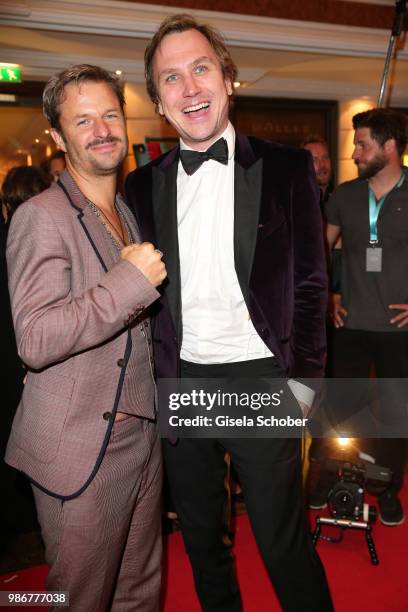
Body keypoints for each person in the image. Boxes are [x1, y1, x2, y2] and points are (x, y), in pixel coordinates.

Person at [126, 15, 333, 612]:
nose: (189, 88)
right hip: (182, 380)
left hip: (262, 379)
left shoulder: (287, 167)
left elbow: (314, 286)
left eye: (201, 69)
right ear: (160, 101)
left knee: (280, 540)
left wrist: (305, 387)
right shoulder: (142, 187)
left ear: (227, 78)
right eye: (171, 78)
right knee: (201, 541)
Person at [5, 64, 166, 610]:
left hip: (141, 438)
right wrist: (129, 283)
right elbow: (35, 336)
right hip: (79, 447)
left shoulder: (125, 210)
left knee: (139, 594)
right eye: (82, 120)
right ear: (57, 136)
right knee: (79, 599)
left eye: (110, 115)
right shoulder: (39, 216)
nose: (102, 129)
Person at [324, 107, 408, 526]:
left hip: (399, 331)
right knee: (343, 410)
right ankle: (335, 480)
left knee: (395, 416)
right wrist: (325, 294)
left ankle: (387, 488)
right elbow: (319, 252)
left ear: (389, 147)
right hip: (350, 325)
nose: (354, 153)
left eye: (362, 144)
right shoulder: (344, 195)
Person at [302, 136, 333, 208]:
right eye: (314, 160)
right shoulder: (296, 204)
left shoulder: (340, 198)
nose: (322, 164)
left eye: (325, 157)